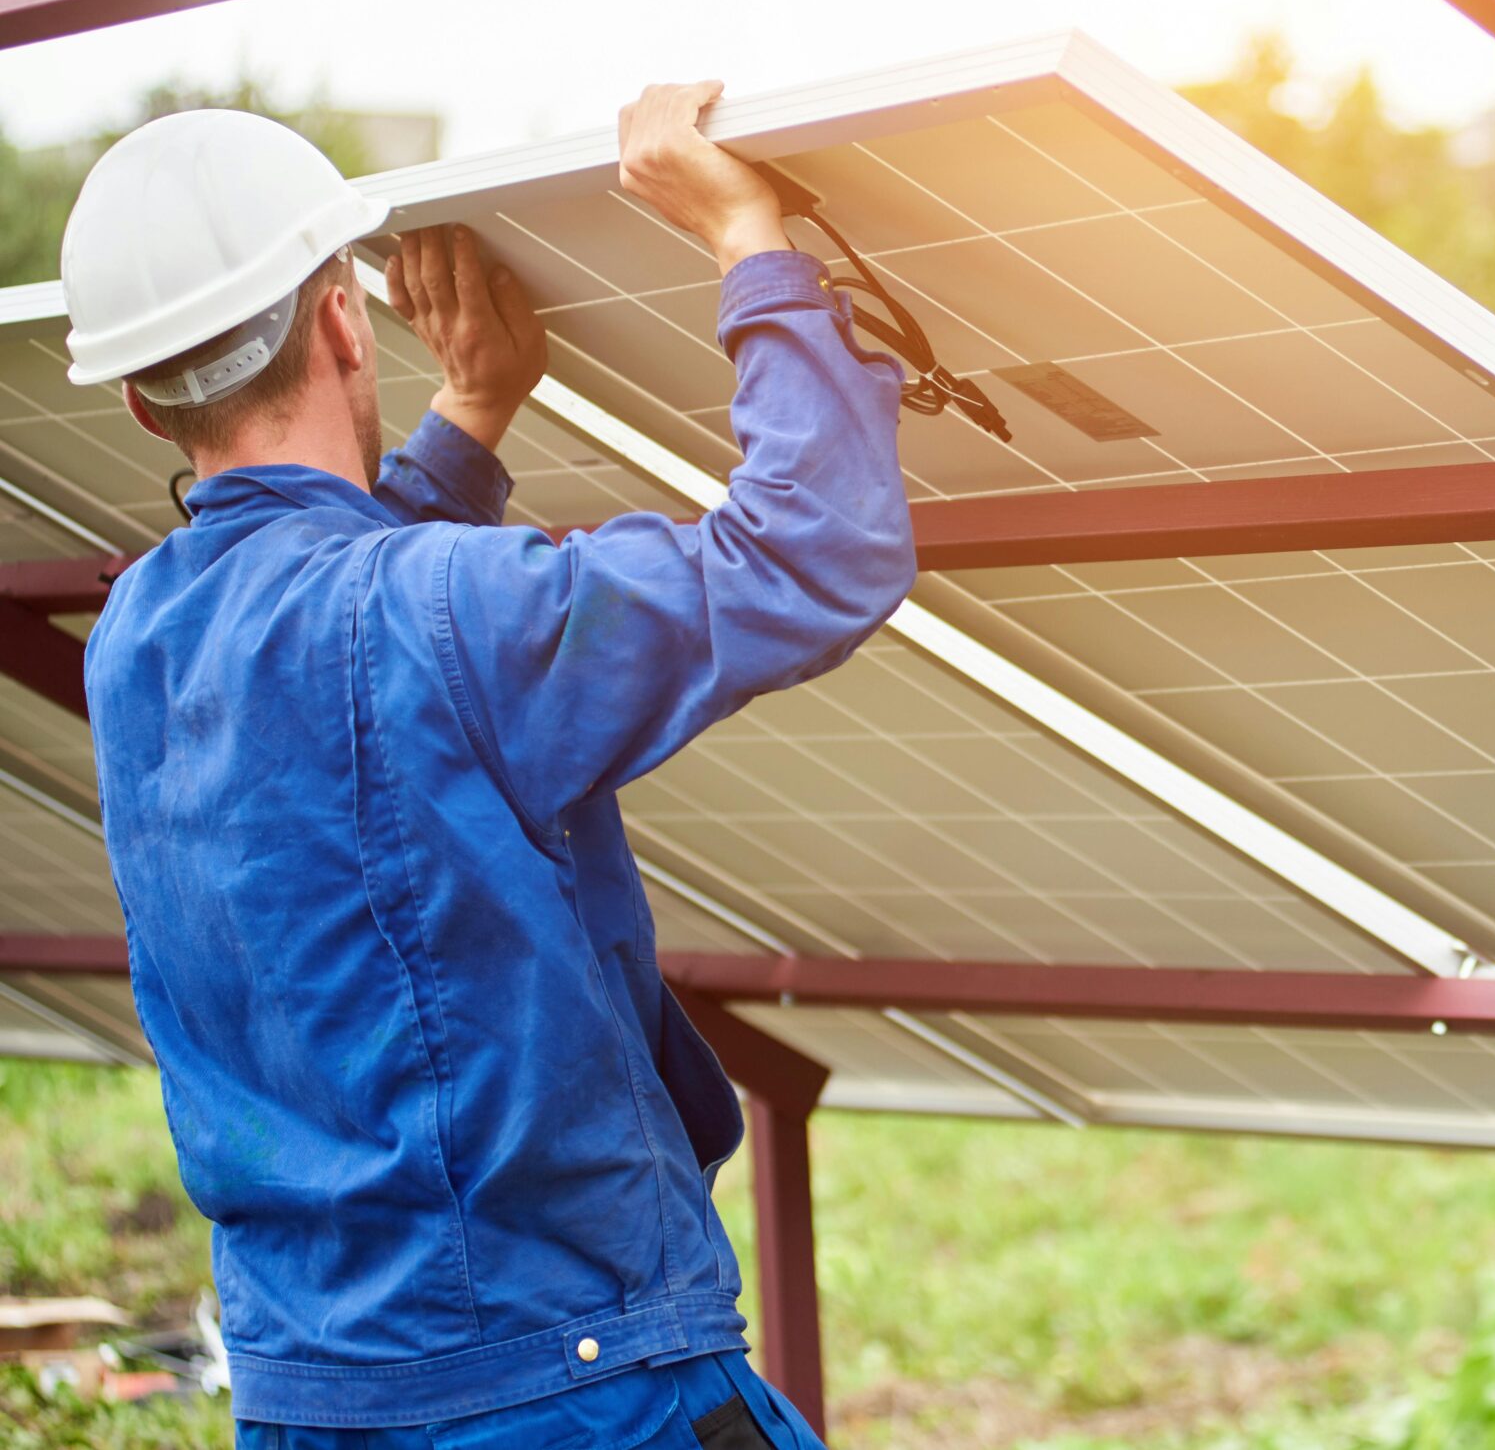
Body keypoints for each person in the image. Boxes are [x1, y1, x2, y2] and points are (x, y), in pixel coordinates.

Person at [64, 84, 915, 1446]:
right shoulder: (433, 613)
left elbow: (331, 627)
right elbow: (816, 554)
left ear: (138, 395)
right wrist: (753, 237)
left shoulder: (137, 642)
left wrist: (469, 419)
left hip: (312, 1397)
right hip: (571, 1390)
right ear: (344, 315)